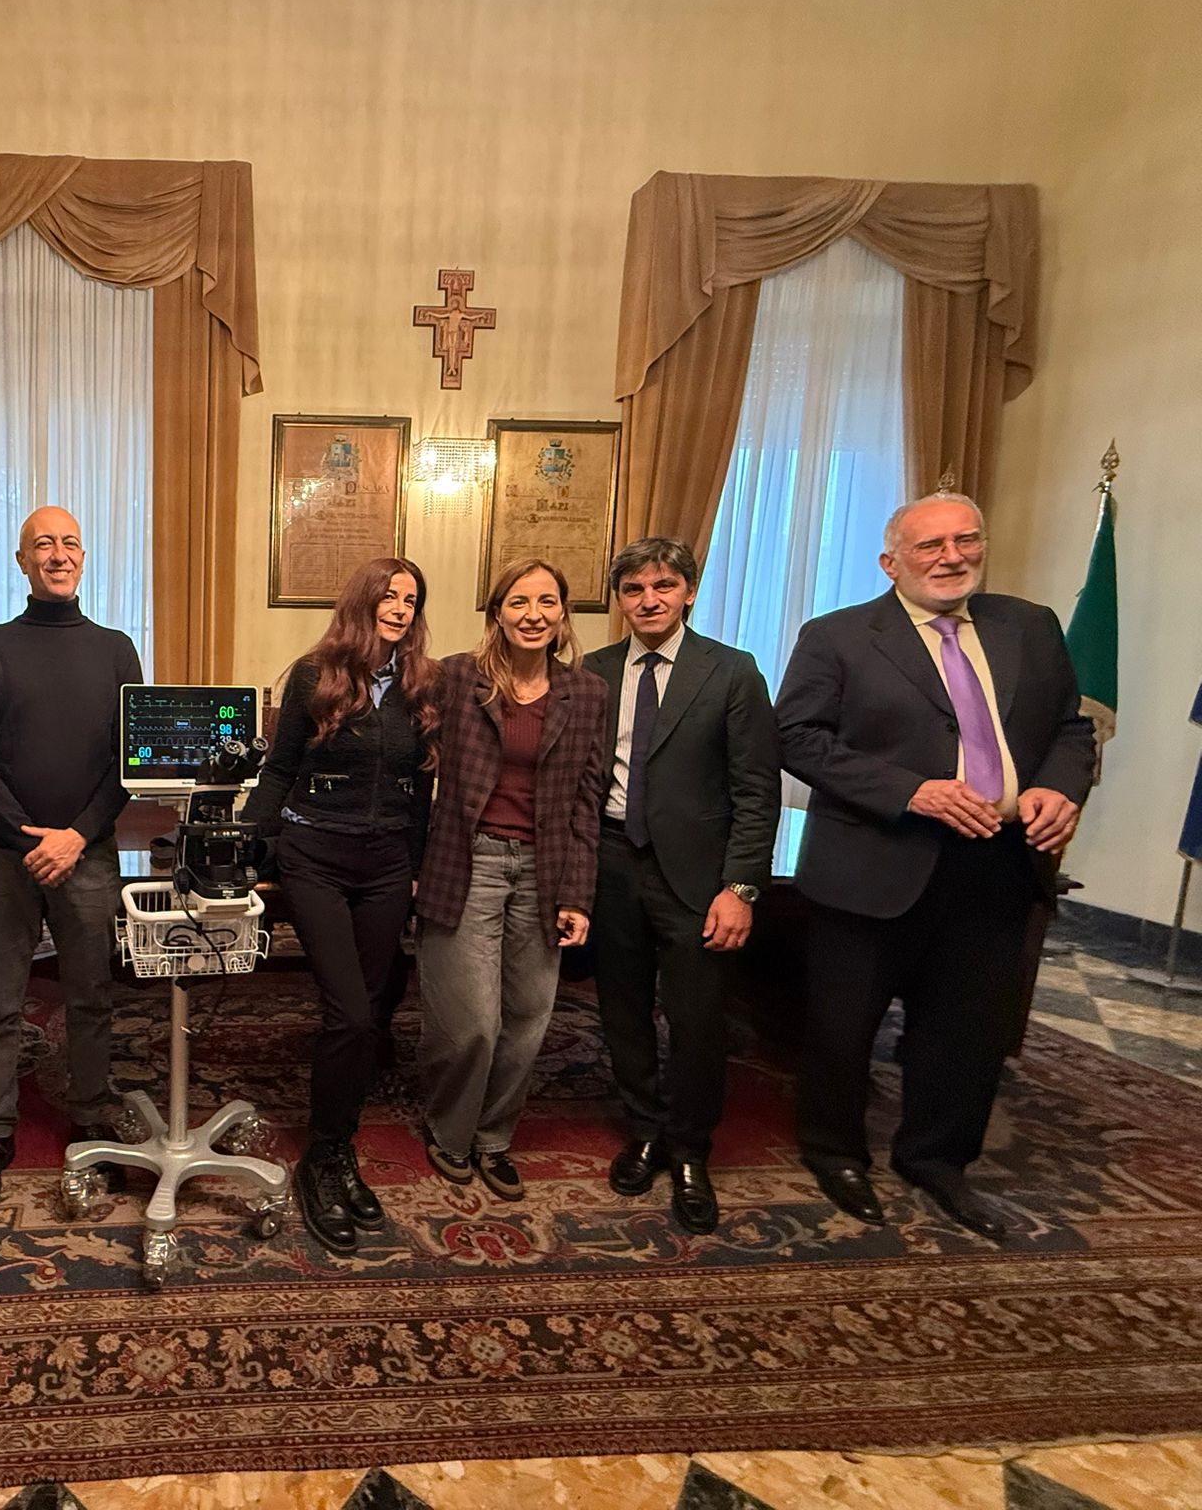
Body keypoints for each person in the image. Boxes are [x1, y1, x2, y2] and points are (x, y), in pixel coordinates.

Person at [776, 490, 1093, 1241]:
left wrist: (1060, 785)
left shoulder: (1031, 626)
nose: (952, 556)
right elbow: (796, 736)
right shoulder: (838, 636)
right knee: (843, 1024)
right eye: (931, 545)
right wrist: (910, 791)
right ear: (891, 562)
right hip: (873, 862)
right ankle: (834, 1150)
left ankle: (938, 1156)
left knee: (968, 1026)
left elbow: (1071, 727)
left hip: (997, 863)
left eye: (965, 539)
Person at [241, 558, 440, 1254]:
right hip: (315, 857)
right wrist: (248, 851)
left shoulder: (422, 684)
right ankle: (323, 1155)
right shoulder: (313, 676)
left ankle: (338, 1148)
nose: (401, 607)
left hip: (386, 864)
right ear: (363, 600)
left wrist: (417, 867)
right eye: (389, 595)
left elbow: (422, 787)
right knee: (348, 1011)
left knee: (375, 1010)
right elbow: (279, 770)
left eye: (411, 599)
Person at [582, 537, 779, 1234]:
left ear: (689, 592)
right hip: (611, 862)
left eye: (663, 586)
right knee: (622, 1010)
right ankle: (644, 1129)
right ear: (620, 600)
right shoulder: (595, 672)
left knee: (697, 1020)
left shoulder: (731, 671)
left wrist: (741, 888)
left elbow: (757, 790)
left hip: (698, 877)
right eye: (634, 589)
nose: (649, 600)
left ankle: (691, 1148)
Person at [0, 506, 143, 1217]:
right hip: (3, 857)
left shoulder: (117, 649)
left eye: (69, 543)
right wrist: (31, 838)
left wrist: (76, 835)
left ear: (83, 557)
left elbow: (127, 760)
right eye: (43, 544)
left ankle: (89, 1117)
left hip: (87, 855)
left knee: (90, 997)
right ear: (22, 560)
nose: (57, 554)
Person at [414, 558, 608, 1201]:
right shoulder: (455, 677)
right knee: (472, 1019)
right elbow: (415, 769)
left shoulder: (587, 693)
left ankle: (493, 1138)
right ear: (497, 612)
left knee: (527, 1018)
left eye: (547, 602)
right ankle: (451, 1130)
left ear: (563, 613)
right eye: (519, 602)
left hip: (545, 868)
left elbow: (587, 799)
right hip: (466, 861)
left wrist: (578, 893)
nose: (533, 615)